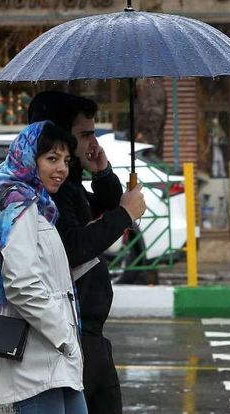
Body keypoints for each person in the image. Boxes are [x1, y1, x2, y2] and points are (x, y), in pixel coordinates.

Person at [28, 91, 146, 414]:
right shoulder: (50, 193)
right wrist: (123, 214)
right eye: (85, 134)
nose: (92, 141)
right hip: (72, 332)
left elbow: (103, 206)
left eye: (94, 132)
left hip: (90, 333)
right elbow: (75, 246)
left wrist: (103, 172)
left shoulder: (70, 183)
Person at [0, 121, 87, 413]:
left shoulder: (37, 205)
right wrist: (64, 336)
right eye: (52, 159)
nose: (62, 168)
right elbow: (21, 284)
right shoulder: (19, 205)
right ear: (28, 158)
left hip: (53, 355)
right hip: (38, 357)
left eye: (66, 160)